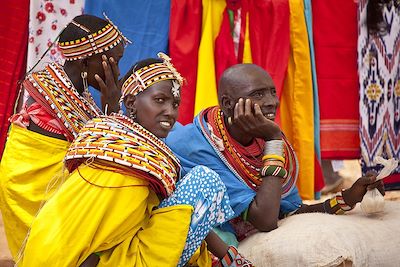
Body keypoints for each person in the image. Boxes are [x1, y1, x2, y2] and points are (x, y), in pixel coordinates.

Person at [19, 54, 242, 267]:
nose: (170, 112)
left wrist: (227, 255)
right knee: (204, 181)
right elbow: (85, 233)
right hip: (84, 260)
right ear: (131, 102)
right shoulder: (124, 155)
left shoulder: (133, 145)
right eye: (160, 100)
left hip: (106, 252)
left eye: (175, 104)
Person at [166, 63, 385, 244]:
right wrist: (273, 139)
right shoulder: (197, 145)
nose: (272, 101)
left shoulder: (262, 141)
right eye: (258, 94)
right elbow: (266, 219)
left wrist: (347, 198)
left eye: (272, 91)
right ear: (227, 104)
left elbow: (288, 212)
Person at [0, 14, 127, 261]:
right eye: (113, 63)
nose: (118, 72)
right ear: (84, 64)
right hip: (37, 208)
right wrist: (111, 109)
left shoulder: (78, 95)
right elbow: (93, 161)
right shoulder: (50, 100)